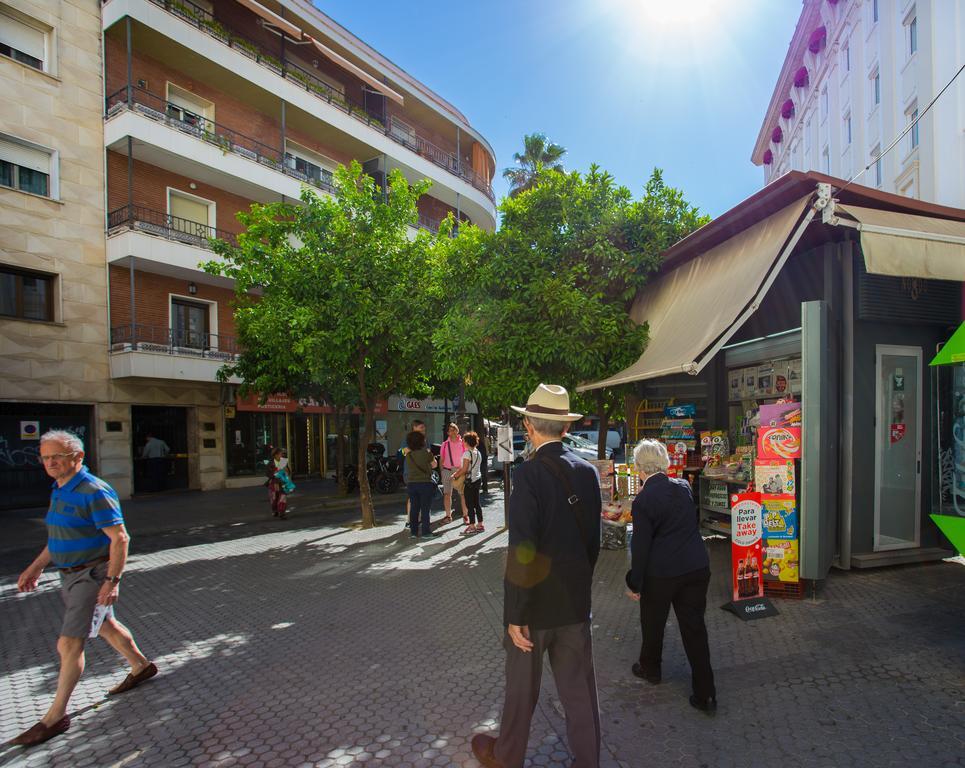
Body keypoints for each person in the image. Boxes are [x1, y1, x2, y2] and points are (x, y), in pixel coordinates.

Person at [471, 384, 602, 768]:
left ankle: (507, 756)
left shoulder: (529, 475)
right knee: (580, 694)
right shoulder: (588, 472)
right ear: (564, 428)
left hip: (534, 610)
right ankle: (589, 761)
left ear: (529, 426)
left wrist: (515, 615)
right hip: (575, 604)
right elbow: (591, 545)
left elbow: (522, 550)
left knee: (520, 693)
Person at [10, 430, 157, 748]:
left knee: (69, 644)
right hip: (70, 575)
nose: (49, 463)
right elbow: (58, 536)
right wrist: (35, 567)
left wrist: (111, 581)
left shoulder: (94, 490)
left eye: (56, 458)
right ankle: (141, 666)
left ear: (77, 458)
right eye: (45, 457)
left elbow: (120, 538)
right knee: (106, 626)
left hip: (92, 576)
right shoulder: (60, 489)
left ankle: (54, 718)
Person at [625, 439, 717, 714]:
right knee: (694, 629)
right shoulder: (683, 487)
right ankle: (706, 694)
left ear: (639, 468)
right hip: (696, 566)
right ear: (664, 462)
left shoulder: (643, 500)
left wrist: (635, 581)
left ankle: (651, 669)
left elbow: (640, 545)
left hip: (662, 573)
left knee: (653, 623)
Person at [404, 428, 438, 538]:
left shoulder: (408, 454)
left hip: (411, 483)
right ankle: (426, 532)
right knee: (425, 509)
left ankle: (413, 532)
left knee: (414, 508)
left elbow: (403, 451)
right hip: (425, 483)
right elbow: (434, 465)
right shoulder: (426, 453)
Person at [453, 431, 484, 534]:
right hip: (477, 479)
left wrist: (455, 475)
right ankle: (480, 524)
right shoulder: (477, 452)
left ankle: (471, 526)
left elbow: (464, 469)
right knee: (477, 503)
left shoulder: (467, 453)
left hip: (470, 481)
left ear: (466, 442)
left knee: (469, 504)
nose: (462, 441)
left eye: (463, 440)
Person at [440, 422, 468, 524]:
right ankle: (448, 516)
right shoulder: (444, 444)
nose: (452, 432)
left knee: (463, 494)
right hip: (447, 470)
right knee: (447, 494)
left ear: (457, 431)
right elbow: (442, 459)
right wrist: (442, 471)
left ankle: (465, 515)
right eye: (450, 430)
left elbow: (466, 457)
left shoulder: (463, 443)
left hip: (459, 471)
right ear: (448, 433)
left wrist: (465, 470)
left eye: (454, 429)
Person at [401, 419, 426, 530]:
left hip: (422, 473)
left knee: (420, 497)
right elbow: (402, 452)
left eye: (423, 428)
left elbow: (428, 453)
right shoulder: (408, 439)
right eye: (421, 428)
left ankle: (418, 519)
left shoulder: (425, 440)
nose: (423, 430)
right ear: (414, 428)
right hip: (410, 473)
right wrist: (415, 445)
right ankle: (410, 521)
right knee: (412, 497)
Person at [267, 448, 294, 519]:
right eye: (280, 454)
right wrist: (274, 474)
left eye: (282, 454)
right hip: (274, 483)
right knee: (274, 498)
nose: (282, 455)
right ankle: (275, 510)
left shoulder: (283, 461)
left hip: (283, 483)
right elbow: (267, 473)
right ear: (275, 455)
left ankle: (281, 512)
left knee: (283, 497)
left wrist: (286, 470)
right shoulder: (271, 463)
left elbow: (288, 472)